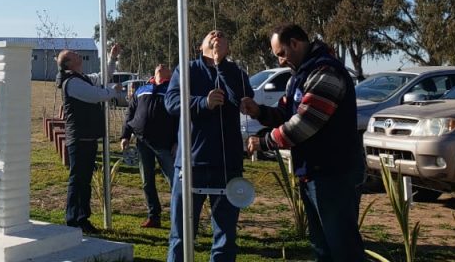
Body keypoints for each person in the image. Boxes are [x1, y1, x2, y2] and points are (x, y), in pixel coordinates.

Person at [241, 24, 366, 262]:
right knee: (322, 247)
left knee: (343, 247)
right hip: (313, 173)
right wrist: (259, 111)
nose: (279, 61)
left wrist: (264, 142)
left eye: (281, 53)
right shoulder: (300, 76)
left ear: (295, 44)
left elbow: (304, 124)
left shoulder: (326, 73)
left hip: (334, 174)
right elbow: (285, 112)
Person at [165, 30, 251, 262]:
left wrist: (220, 64)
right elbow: (171, 102)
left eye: (222, 34)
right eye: (210, 35)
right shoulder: (187, 69)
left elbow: (242, 100)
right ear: (200, 46)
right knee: (181, 233)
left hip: (227, 164)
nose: (216, 35)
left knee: (225, 236)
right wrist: (203, 102)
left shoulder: (235, 71)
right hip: (191, 164)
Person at [55, 42, 125, 235]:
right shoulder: (73, 82)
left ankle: (81, 218)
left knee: (83, 181)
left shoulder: (82, 78)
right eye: (74, 54)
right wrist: (114, 91)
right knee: (78, 181)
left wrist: (112, 58)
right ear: (69, 63)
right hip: (79, 139)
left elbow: (103, 77)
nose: (78, 54)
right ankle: (74, 220)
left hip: (87, 138)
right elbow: (96, 95)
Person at [120, 63, 177, 228]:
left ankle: (179, 218)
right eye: (158, 65)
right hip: (142, 142)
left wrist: (177, 142)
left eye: (165, 66)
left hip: (165, 144)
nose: (160, 66)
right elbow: (130, 112)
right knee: (147, 182)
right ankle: (154, 216)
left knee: (174, 181)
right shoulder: (142, 89)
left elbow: (180, 118)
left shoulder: (173, 90)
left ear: (170, 73)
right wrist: (125, 135)